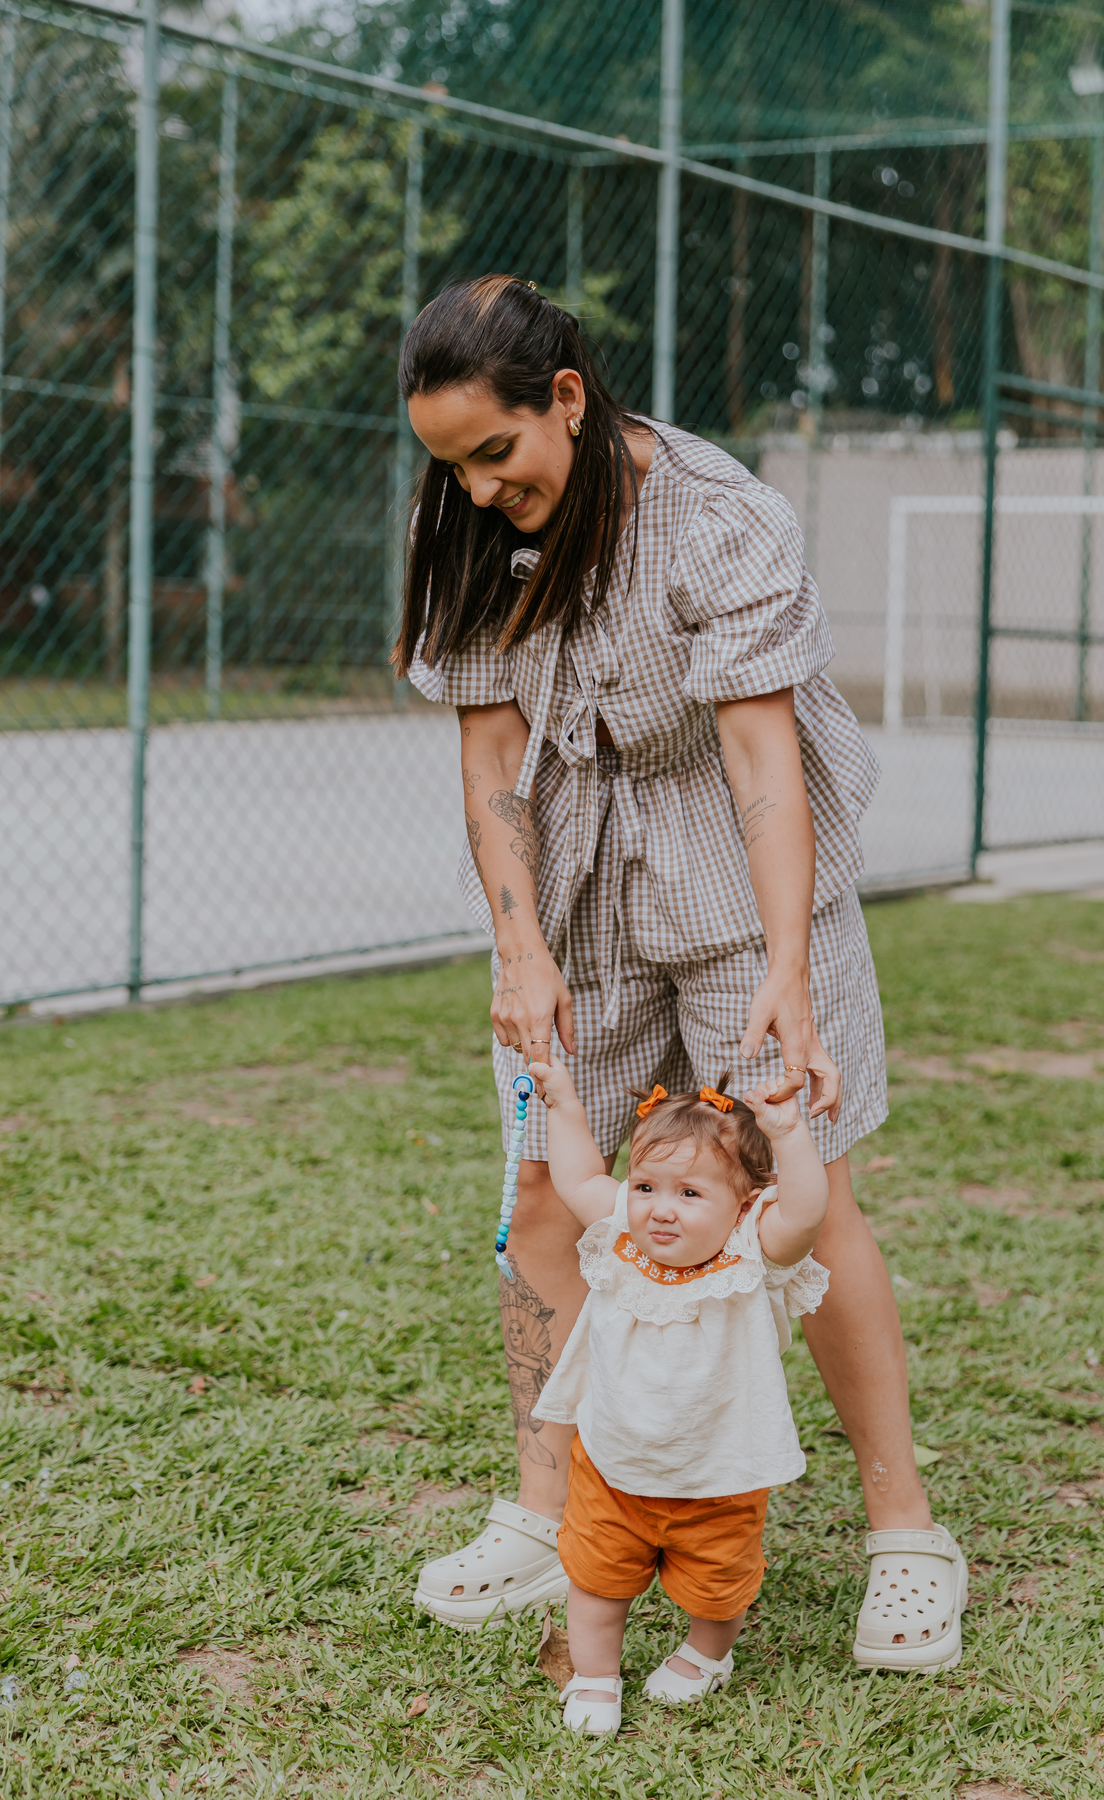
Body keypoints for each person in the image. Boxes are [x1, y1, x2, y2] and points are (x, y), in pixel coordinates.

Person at [396, 273, 968, 1672]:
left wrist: (789, 967)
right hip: (577, 870)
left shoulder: (719, 516)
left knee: (796, 1184)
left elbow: (764, 758)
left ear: (569, 402)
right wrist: (520, 954)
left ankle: (908, 1537)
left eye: (496, 453)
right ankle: (548, 1513)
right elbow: (489, 767)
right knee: (544, 1179)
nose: (475, 491)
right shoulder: (470, 526)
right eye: (448, 463)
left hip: (736, 857)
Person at [529, 1059, 832, 1734]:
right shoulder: (621, 1236)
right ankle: (595, 1675)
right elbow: (579, 1177)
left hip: (721, 1472)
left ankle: (705, 1654)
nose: (660, 1208)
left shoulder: (754, 1251)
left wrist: (787, 1132)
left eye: (691, 1194)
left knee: (718, 1586)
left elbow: (808, 1210)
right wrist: (564, 1104)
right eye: (645, 1185)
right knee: (596, 1579)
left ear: (747, 1203)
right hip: (612, 1463)